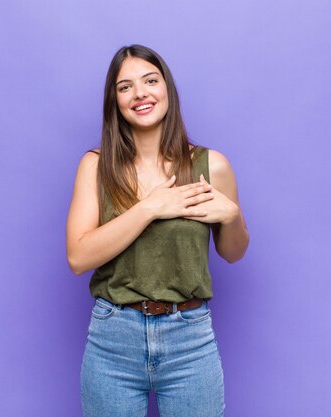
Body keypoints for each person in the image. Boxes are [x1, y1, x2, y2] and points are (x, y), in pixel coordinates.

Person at [66, 44, 249, 417]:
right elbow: (78, 257)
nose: (140, 94)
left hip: (189, 339)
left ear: (168, 89)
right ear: (115, 101)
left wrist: (232, 218)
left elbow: (232, 252)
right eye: (125, 86)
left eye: (150, 80)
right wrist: (151, 207)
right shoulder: (95, 167)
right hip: (113, 339)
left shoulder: (210, 165)